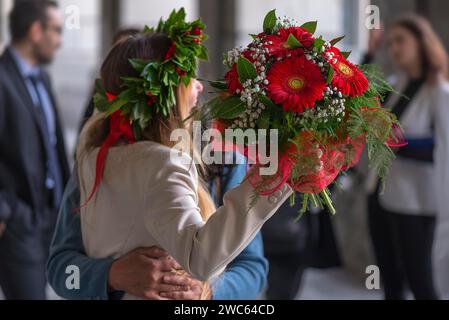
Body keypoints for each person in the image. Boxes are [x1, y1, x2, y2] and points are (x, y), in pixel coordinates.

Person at [47, 155, 269, 300]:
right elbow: (61, 272)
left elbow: (253, 271)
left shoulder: (225, 161)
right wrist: (110, 275)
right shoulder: (102, 157)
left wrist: (209, 292)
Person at [366, 14, 449, 300]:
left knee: (421, 283)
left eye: (400, 40)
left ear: (422, 41)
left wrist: (398, 142)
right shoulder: (395, 84)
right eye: (390, 44)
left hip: (416, 202)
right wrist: (370, 50)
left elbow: (442, 147)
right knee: (389, 282)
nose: (395, 49)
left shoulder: (439, 91)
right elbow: (359, 99)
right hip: (378, 194)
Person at [0, 0, 69, 299]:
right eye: (55, 30)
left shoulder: (41, 77)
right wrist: (6, 212)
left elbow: (52, 146)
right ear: (34, 30)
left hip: (50, 219)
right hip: (19, 221)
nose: (60, 40)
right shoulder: (2, 80)